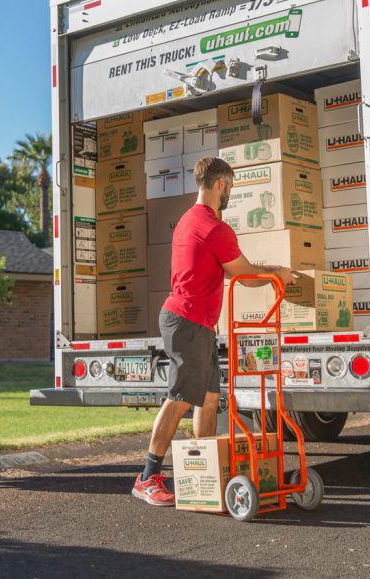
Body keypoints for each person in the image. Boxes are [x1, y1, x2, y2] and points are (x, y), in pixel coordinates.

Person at [132, 157, 295, 506]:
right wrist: (277, 273)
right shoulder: (214, 227)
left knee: (208, 400)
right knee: (180, 398)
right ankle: (147, 477)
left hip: (195, 323)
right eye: (231, 187)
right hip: (188, 321)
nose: (230, 194)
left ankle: (200, 473)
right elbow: (243, 274)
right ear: (220, 184)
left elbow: (215, 269)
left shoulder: (188, 221)